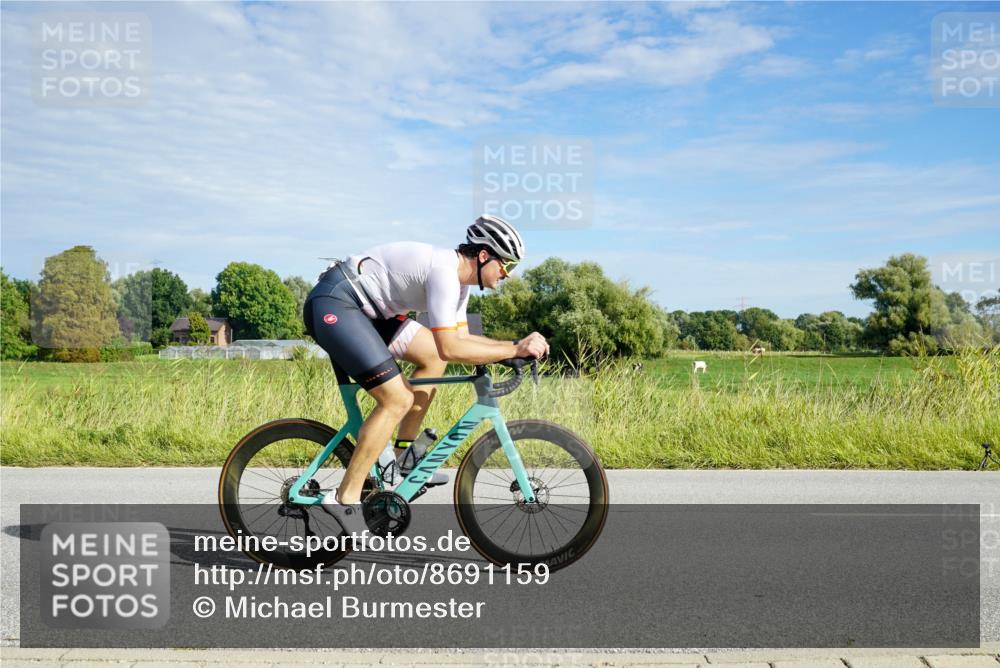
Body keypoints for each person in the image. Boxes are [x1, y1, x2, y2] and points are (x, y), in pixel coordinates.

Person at [302, 215, 549, 535]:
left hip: (372, 313)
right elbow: (452, 347)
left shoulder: (460, 287)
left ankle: (405, 457)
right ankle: (345, 497)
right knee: (397, 399)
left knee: (431, 357)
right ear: (484, 255)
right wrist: (514, 349)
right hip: (337, 302)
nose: (507, 275)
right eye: (507, 265)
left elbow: (458, 342)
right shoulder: (444, 273)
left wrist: (509, 348)